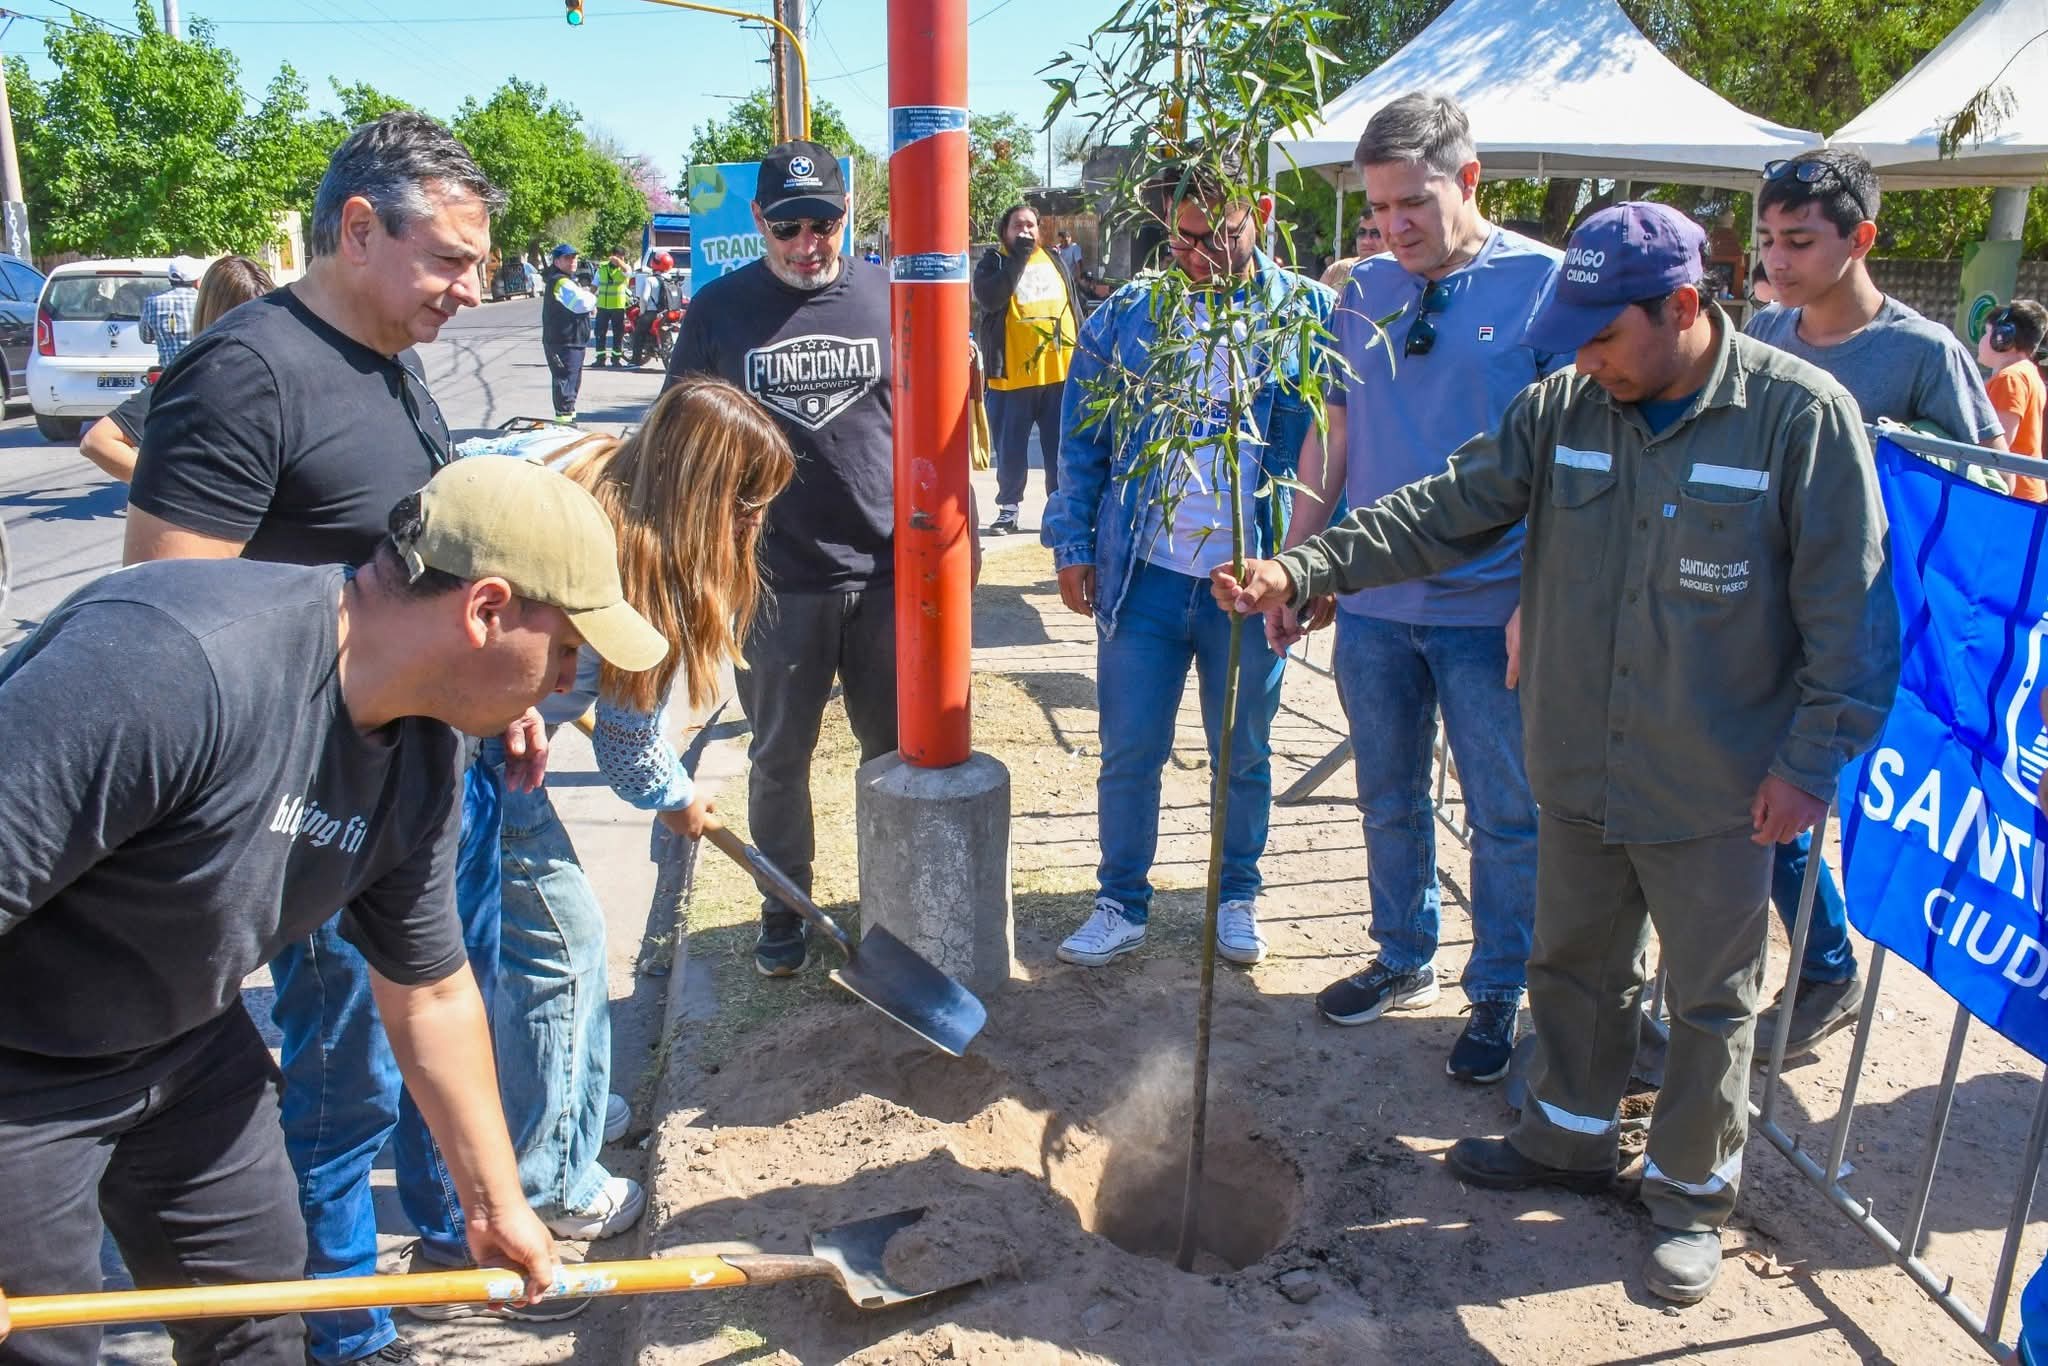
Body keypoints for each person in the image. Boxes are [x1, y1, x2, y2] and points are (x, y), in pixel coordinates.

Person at [1215, 201, 1899, 1305]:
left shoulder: (1797, 419)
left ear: (1683, 307)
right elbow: (1443, 508)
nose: (1584, 359)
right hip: (1576, 758)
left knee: (1710, 999)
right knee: (1573, 966)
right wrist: (1306, 566)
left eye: (1603, 336)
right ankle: (1567, 1140)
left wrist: (1808, 766)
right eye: (1572, 338)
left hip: (1717, 782)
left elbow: (1852, 619)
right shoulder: (1565, 406)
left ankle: (1688, 1197)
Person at [0, 456, 669, 1365]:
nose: (564, 684)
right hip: (19, 1067)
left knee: (261, 1322)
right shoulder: (173, 664)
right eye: (566, 649)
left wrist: (494, 1203)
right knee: (43, 1345)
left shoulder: (425, 754)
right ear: (486, 610)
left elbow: (429, 989)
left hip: (184, 1042)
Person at [124, 111, 584, 1365]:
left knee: (445, 1021)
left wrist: (503, 695)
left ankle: (451, 1246)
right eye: (449, 260)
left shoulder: (390, 360)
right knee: (345, 1081)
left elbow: (444, 572)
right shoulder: (246, 373)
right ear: (360, 229)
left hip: (426, 784)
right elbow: (165, 619)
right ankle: (346, 1327)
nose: (470, 290)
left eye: (478, 265)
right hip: (314, 807)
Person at [1282, 92, 1558, 1085]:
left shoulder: (1544, 287)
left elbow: (1570, 464)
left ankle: (1499, 990)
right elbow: (1334, 431)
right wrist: (1298, 560)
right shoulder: (1359, 289)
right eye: (1377, 207)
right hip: (1373, 607)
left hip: (1491, 610)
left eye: (1412, 203)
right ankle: (1403, 956)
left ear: (1468, 180)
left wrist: (1539, 597)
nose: (1393, 226)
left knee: (1505, 813)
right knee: (1386, 797)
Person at [1042, 157, 1333, 970]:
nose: (1198, 258)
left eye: (1218, 239)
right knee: (1130, 749)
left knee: (1243, 751)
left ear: (1260, 212)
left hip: (1251, 586)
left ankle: (1236, 895)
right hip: (1145, 577)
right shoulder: (1128, 316)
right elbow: (1082, 440)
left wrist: (1315, 568)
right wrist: (1073, 544)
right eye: (1181, 241)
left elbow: (1333, 450)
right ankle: (1120, 901)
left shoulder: (1308, 315)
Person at [1748, 147, 2003, 1056]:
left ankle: (1828, 966)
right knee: (1760, 794)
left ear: (1860, 240)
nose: (1777, 260)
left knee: (1811, 795)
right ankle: (1808, 960)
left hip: (1861, 629)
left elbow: (1987, 485)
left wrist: (1896, 447)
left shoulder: (1923, 352)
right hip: (1758, 612)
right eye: (1767, 239)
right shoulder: (1764, 332)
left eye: (1799, 241)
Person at [661, 138, 897, 977]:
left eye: (822, 224)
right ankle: (785, 906)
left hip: (886, 575)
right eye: (788, 226)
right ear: (759, 219)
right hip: (774, 582)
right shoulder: (719, 311)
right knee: (778, 757)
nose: (806, 243)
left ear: (847, 215)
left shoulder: (888, 298)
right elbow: (678, 440)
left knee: (892, 757)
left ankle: (892, 901)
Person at [79, 256, 275, 482]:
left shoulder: (154, 302)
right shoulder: (204, 379)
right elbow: (97, 441)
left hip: (171, 367)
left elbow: (145, 335)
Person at [973, 203, 1082, 535]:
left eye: (1031, 225)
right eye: (1017, 226)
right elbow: (991, 298)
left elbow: (1073, 306)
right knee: (1011, 451)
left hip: (1059, 375)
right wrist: (1018, 257)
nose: (1025, 231)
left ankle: (1060, 512)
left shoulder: (1054, 259)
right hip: (1012, 379)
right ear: (1004, 232)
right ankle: (1008, 510)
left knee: (1059, 450)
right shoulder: (994, 262)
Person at [1980, 299, 2048, 503]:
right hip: (2024, 493)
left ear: (2002, 338)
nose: (1982, 340)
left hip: (2014, 495)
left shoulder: (2010, 379)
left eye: (1986, 332)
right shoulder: (2026, 372)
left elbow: (1998, 448)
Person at [543, 242, 596, 423]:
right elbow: (582, 303)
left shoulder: (568, 280)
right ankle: (564, 424)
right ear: (557, 261)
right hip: (563, 342)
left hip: (573, 340)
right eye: (567, 258)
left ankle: (568, 421)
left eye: (574, 257)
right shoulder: (560, 282)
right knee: (565, 384)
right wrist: (592, 297)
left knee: (572, 384)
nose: (572, 261)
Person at [138, 255, 204, 370]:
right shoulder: (203, 300)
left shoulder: (152, 302)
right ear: (197, 281)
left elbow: (145, 337)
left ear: (170, 279)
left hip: (168, 372)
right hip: (197, 370)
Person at [628, 250, 679, 367]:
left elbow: (644, 299)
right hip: (669, 313)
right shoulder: (671, 279)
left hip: (652, 313)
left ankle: (635, 361)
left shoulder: (650, 280)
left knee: (638, 333)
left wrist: (642, 312)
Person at [592, 250, 631, 368]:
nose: (621, 259)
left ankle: (616, 359)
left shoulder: (624, 268)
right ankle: (600, 359)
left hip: (617, 306)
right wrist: (590, 301)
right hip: (602, 306)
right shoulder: (602, 268)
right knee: (600, 333)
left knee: (618, 334)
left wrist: (619, 261)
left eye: (622, 257)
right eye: (618, 257)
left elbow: (628, 272)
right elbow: (594, 285)